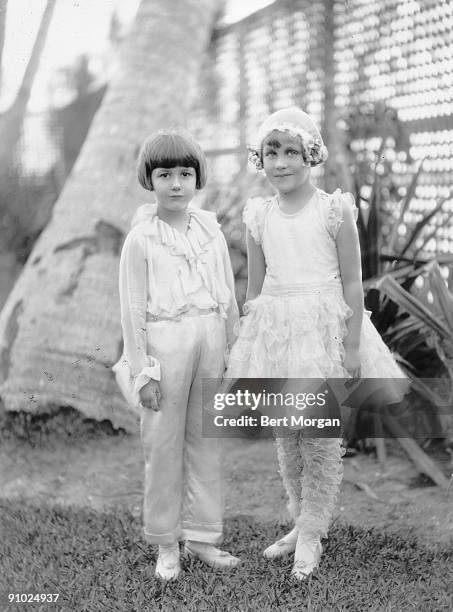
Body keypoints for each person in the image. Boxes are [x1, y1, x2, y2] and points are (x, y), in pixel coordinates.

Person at [225, 107, 406, 580]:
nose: (281, 162)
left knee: (320, 436)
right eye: (271, 152)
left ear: (310, 154)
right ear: (259, 159)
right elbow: (255, 289)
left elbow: (352, 283)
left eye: (290, 151)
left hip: (323, 328)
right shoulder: (258, 215)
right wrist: (249, 344)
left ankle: (312, 531)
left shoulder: (332, 208)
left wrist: (349, 344)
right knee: (287, 434)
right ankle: (298, 519)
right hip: (278, 330)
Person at [113, 128, 240, 580]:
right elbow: (131, 310)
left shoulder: (211, 231)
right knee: (163, 445)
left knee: (207, 440)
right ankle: (166, 544)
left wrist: (233, 349)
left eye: (185, 173)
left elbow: (227, 294)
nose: (175, 184)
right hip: (165, 346)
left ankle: (203, 536)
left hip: (210, 337)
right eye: (165, 174)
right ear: (150, 179)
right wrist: (143, 372)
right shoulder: (141, 239)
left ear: (197, 177)